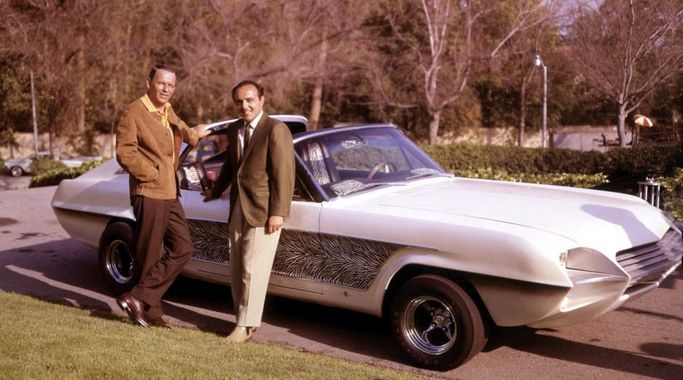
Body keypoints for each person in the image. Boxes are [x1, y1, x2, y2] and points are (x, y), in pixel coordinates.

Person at [115, 64, 209, 327]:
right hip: (149, 191)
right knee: (149, 253)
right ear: (149, 83)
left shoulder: (167, 110)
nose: (166, 89)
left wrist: (196, 135)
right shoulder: (134, 112)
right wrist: (152, 173)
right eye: (161, 83)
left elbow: (182, 131)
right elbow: (125, 152)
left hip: (170, 193)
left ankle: (137, 298)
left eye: (171, 85)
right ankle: (151, 313)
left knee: (183, 248)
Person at [204, 80, 295, 343]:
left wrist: (278, 212)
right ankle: (244, 321)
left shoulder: (276, 129)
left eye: (249, 100)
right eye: (239, 102)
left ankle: (244, 326)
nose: (244, 106)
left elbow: (284, 174)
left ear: (262, 99)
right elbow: (231, 167)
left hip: (264, 212)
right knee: (237, 268)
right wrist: (216, 190)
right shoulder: (235, 129)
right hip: (237, 208)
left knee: (253, 270)